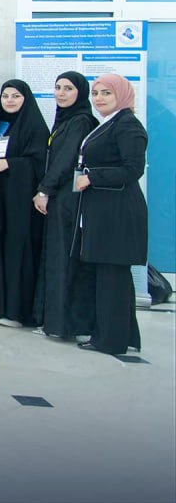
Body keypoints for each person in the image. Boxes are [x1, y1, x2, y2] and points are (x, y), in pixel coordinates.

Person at [70, 73, 148, 356]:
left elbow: (132, 169)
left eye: (106, 93)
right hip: (103, 209)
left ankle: (110, 340)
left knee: (112, 277)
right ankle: (121, 336)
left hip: (118, 212)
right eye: (96, 93)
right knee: (111, 277)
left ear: (122, 95)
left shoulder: (127, 125)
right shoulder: (111, 123)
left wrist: (92, 177)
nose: (99, 98)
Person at [32, 72, 96, 340]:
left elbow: (66, 160)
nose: (61, 93)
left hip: (66, 199)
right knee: (55, 258)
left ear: (80, 92)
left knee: (63, 260)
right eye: (58, 87)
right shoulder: (65, 119)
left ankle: (63, 325)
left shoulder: (80, 121)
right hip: (60, 197)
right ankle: (53, 322)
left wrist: (44, 189)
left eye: (68, 88)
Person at [0, 80, 49, 328]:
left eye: (16, 96)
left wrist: (11, 164)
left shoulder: (34, 126)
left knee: (17, 251)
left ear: (26, 99)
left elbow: (39, 162)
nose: (9, 100)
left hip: (20, 203)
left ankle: (16, 312)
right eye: (5, 96)